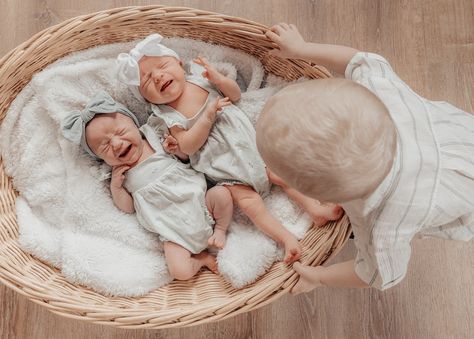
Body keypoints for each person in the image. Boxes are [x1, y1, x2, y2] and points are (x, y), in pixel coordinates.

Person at [257, 23, 474, 292]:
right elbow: (359, 60)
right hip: (461, 138)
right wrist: (303, 49)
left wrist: (320, 277)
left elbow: (375, 274)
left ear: (319, 195)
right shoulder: (379, 92)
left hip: (461, 193)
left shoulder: (381, 221)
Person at [116, 34, 343, 264]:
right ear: (145, 98)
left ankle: (315, 209)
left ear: (180, 65)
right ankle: (286, 239)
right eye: (146, 81)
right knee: (251, 205)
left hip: (247, 145)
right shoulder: (164, 115)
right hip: (222, 166)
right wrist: (207, 117)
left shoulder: (200, 80)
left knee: (280, 174)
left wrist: (220, 80)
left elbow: (234, 96)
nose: (157, 77)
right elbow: (187, 145)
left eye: (162, 66)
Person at [60, 91, 234, 281]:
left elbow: (187, 158)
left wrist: (175, 149)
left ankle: (220, 230)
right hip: (172, 233)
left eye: (120, 132)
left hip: (201, 203)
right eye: (105, 146)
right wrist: (117, 189)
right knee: (180, 271)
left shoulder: (154, 138)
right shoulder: (119, 175)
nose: (117, 144)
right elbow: (128, 208)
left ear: (135, 125)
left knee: (222, 194)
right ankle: (201, 259)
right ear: (100, 158)